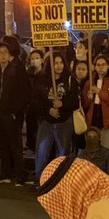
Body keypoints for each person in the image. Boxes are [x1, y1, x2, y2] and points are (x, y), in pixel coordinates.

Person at [0, 38, 30, 185]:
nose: (2, 55)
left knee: (15, 144)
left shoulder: (17, 69)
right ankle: (5, 172)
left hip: (11, 114)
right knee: (2, 144)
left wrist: (15, 111)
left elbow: (24, 93)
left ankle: (20, 174)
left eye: (5, 52)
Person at [32, 51, 77, 183]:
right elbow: (35, 100)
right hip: (47, 121)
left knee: (62, 154)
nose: (58, 66)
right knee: (42, 151)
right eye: (55, 63)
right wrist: (49, 109)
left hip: (64, 121)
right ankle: (40, 181)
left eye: (61, 62)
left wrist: (62, 104)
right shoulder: (41, 79)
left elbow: (75, 101)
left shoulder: (69, 79)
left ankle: (60, 181)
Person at [83, 53, 109, 164]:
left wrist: (100, 92)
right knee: (92, 156)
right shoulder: (89, 83)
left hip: (108, 125)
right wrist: (89, 98)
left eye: (103, 64)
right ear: (94, 67)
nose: (100, 67)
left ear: (108, 66)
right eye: (98, 65)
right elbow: (85, 105)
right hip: (93, 123)